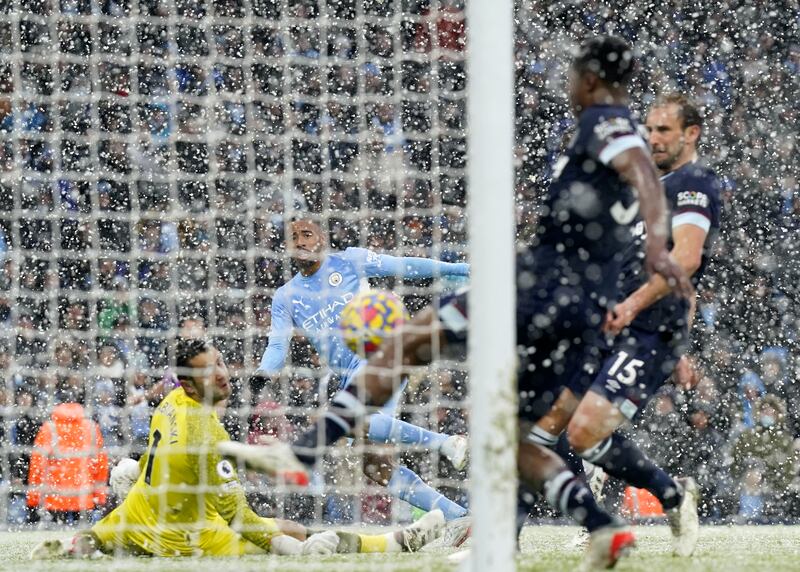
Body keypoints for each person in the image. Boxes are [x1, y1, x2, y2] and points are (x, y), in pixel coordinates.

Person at [222, 36, 691, 569]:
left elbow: (642, 170)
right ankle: (600, 527)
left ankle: (310, 450)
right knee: (521, 439)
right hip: (577, 301)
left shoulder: (602, 121)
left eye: (570, 78)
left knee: (408, 344)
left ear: (587, 80)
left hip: (544, 287)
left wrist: (656, 244)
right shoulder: (612, 128)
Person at [31, 339, 444, 559]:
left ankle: (79, 545)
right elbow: (243, 520)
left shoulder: (170, 403)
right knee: (287, 531)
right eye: (209, 372)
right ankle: (394, 543)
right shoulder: (207, 435)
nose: (223, 375)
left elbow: (163, 462)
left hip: (138, 513)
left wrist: (135, 473)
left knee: (100, 537)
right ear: (189, 385)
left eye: (221, 363)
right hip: (188, 536)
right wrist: (295, 551)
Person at [525, 92, 720, 557]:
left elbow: (686, 259)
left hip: (644, 331)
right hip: (612, 325)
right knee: (543, 423)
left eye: (663, 130)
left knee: (582, 432)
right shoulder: (644, 188)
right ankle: (500, 536)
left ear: (691, 134)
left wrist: (639, 312)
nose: (651, 137)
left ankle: (669, 495)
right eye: (648, 128)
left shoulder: (694, 184)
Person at [257, 216, 471, 521]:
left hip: (382, 352)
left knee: (357, 420)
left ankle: (448, 443)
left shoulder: (350, 261)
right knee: (375, 465)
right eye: (294, 237)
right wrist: (261, 375)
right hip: (348, 375)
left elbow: (404, 265)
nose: (301, 241)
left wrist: (460, 270)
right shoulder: (285, 296)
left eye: (307, 234)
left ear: (322, 239)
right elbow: (277, 347)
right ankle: (459, 518)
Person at [27, 390, 109, 525]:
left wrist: (34, 498)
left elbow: (37, 465)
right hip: (84, 496)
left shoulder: (49, 428)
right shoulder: (92, 428)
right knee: (81, 540)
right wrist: (99, 496)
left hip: (55, 497)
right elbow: (101, 465)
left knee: (55, 541)